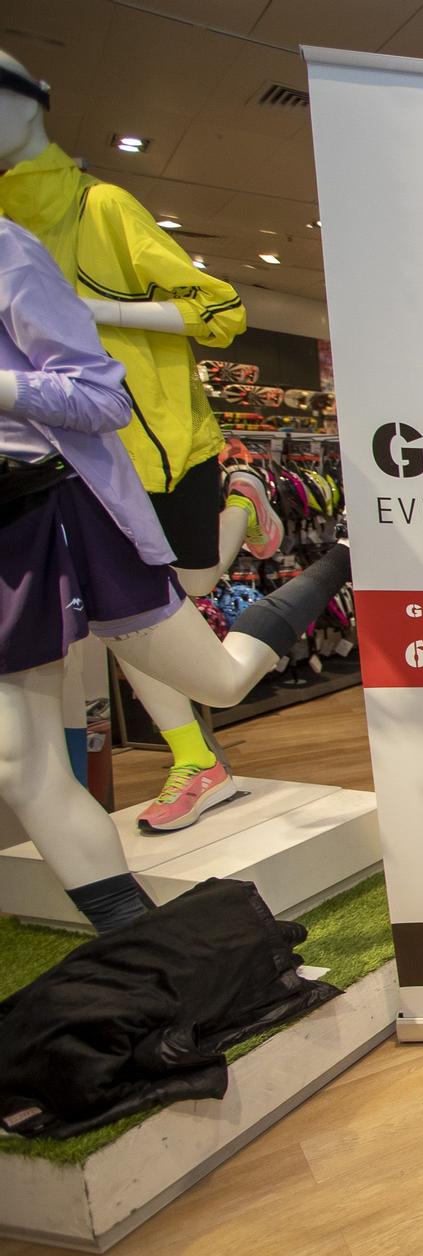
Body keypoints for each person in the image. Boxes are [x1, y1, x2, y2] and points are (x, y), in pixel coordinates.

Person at [0, 217, 351, 931]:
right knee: (15, 759)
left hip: (54, 507)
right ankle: (143, 948)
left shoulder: (9, 247)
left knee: (220, 679)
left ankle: (342, 557)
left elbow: (102, 396)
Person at [0, 49, 281, 835]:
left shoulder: (98, 207)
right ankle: (196, 758)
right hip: (64, 464)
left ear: (34, 105)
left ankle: (238, 505)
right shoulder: (11, 222)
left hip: (150, 441)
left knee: (177, 605)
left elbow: (222, 309)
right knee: (120, 620)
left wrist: (93, 310)